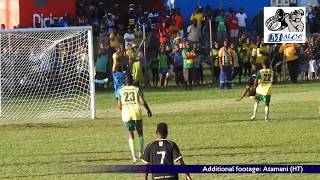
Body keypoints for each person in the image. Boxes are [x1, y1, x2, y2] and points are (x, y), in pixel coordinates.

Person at [118, 75, 152, 163]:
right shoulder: (137, 89)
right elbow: (142, 102)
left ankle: (134, 156)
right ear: (132, 80)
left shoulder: (121, 91)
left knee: (131, 134)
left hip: (126, 115)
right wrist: (148, 109)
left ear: (125, 82)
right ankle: (141, 153)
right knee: (140, 133)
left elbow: (119, 106)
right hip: (137, 113)